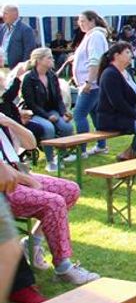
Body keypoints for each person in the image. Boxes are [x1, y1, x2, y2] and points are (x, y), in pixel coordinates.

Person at [1, 110, 100, 284]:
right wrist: (29, 181)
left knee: (70, 190)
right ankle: (63, 268)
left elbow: (31, 144)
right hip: (5, 186)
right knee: (53, 202)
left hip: (20, 173)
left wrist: (9, 121)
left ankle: (32, 243)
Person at [21, 47, 74, 172]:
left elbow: (58, 98)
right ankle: (50, 161)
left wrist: (63, 112)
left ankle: (61, 156)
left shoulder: (51, 76)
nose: (53, 59)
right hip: (35, 112)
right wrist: (47, 116)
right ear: (39, 60)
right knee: (48, 127)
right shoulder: (29, 78)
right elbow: (31, 103)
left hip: (52, 110)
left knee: (67, 127)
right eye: (49, 57)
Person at [96, 42, 136, 162]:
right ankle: (131, 155)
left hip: (126, 114)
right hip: (111, 118)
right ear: (117, 55)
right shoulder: (109, 74)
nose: (131, 55)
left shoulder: (127, 72)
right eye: (127, 52)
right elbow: (117, 102)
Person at [70, 10, 110, 156]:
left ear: (92, 20)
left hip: (91, 84)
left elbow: (95, 60)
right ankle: (101, 145)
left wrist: (89, 81)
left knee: (79, 114)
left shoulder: (96, 36)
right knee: (95, 114)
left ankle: (81, 150)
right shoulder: (91, 36)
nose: (80, 24)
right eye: (79, 21)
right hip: (91, 83)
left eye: (83, 21)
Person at [0, 3, 36, 68]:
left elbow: (29, 51)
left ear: (15, 14)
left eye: (5, 13)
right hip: (2, 67)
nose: (3, 16)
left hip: (15, 69)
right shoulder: (2, 28)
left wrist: (22, 68)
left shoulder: (26, 29)